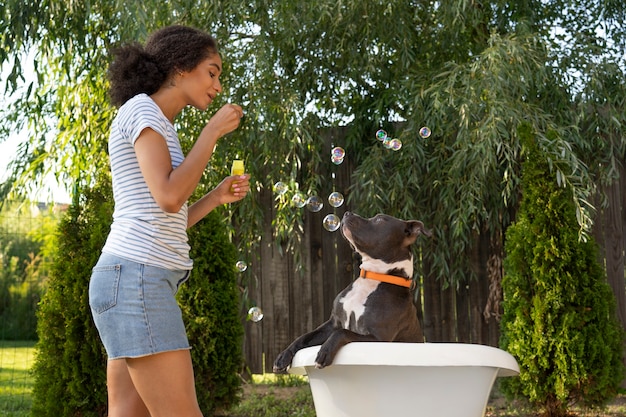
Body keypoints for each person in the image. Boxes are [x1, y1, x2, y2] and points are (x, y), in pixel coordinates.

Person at [88, 25, 249, 417]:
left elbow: (165, 214)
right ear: (180, 67)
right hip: (136, 280)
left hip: (127, 277)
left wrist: (214, 197)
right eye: (212, 72)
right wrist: (211, 133)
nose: (218, 86)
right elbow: (169, 195)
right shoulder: (143, 110)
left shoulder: (159, 123)